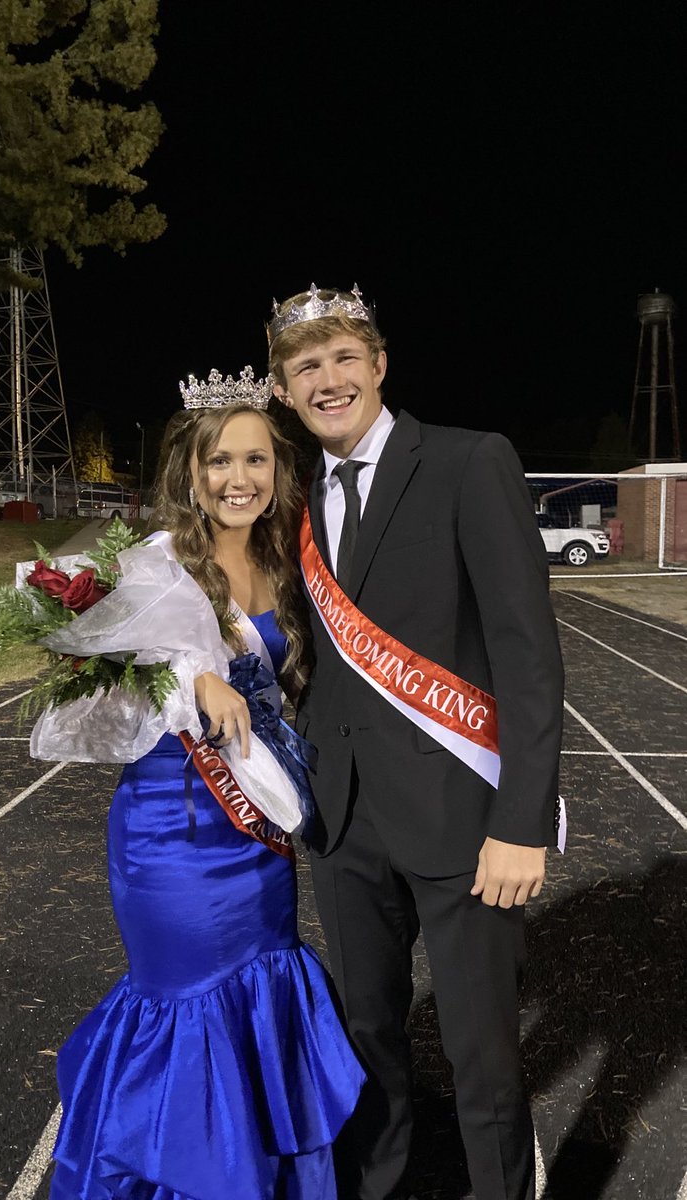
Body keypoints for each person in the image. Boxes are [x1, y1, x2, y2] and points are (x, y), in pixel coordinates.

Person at [37, 367, 365, 1200]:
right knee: (184, 998)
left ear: (278, 471)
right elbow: (109, 683)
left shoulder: (285, 565)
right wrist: (195, 680)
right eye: (220, 461)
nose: (238, 479)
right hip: (171, 831)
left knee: (260, 991)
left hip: (256, 836)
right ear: (190, 470)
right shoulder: (152, 566)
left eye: (257, 460)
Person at [268, 286, 565, 1200]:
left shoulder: (470, 462)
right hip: (345, 820)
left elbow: (527, 655)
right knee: (367, 1042)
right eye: (306, 366)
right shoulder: (293, 491)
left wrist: (521, 823)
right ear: (283, 388)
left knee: (482, 1056)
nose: (328, 380)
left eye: (344, 358)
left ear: (381, 364)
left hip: (464, 821)